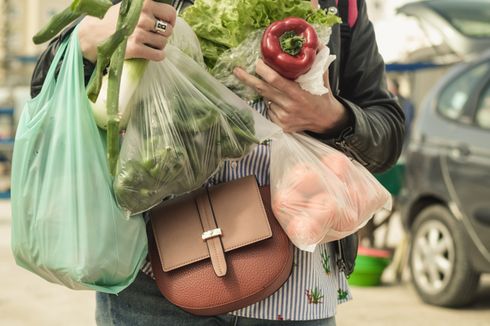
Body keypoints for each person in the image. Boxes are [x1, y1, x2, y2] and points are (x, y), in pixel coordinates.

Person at [30, 0, 404, 324]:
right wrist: (89, 40)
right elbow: (45, 86)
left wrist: (332, 117)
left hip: (295, 289)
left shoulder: (338, 4)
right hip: (152, 279)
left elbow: (388, 131)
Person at [387, 77, 414, 148]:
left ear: (395, 89)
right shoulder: (389, 101)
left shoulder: (405, 103)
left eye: (390, 88)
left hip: (400, 139)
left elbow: (407, 122)